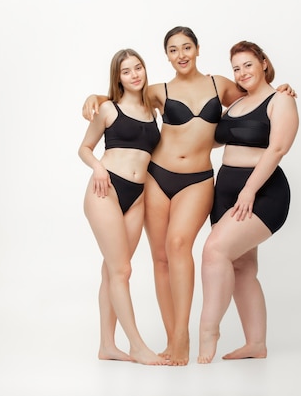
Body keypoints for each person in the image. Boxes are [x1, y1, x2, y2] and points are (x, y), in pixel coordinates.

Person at [82, 27, 296, 366]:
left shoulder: (219, 84)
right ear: (166, 56)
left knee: (180, 246)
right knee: (160, 258)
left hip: (197, 179)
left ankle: (182, 336)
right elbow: (123, 97)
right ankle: (170, 339)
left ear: (197, 49)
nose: (180, 54)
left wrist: (283, 87)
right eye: (172, 49)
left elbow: (255, 92)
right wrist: (94, 96)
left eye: (186, 47)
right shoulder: (158, 90)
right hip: (156, 176)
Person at [197, 41, 299, 364]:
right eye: (236, 68)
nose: (242, 73)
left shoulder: (281, 99)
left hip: (262, 191)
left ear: (264, 63)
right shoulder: (237, 103)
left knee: (214, 250)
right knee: (242, 267)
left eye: (248, 65)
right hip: (227, 191)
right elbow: (211, 137)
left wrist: (249, 190)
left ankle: (208, 329)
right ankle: (256, 343)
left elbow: (277, 149)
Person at [78, 48, 167, 365]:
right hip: (106, 190)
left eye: (138, 67)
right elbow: (85, 148)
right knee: (122, 270)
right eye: (127, 71)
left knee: (112, 271)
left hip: (138, 196)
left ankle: (107, 346)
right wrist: (98, 168)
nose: (135, 74)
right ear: (118, 77)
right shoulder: (107, 109)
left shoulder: (153, 109)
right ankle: (137, 346)